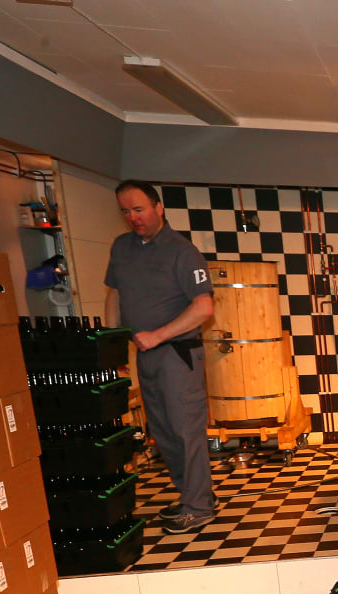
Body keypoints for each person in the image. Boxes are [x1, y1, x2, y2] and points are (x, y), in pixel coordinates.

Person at [105, 180, 217, 533]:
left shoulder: (182, 252)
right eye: (126, 211)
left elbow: (204, 308)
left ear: (158, 208)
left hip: (177, 355)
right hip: (146, 356)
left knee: (186, 432)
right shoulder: (121, 247)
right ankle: (192, 496)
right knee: (164, 434)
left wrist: (158, 335)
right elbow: (114, 295)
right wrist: (112, 347)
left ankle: (198, 507)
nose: (133, 217)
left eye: (139, 209)